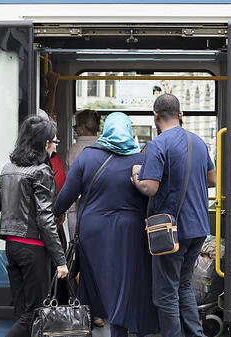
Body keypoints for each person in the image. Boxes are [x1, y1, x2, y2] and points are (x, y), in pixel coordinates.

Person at [53, 112, 159, 337]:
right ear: (129, 131)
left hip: (93, 233)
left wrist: (54, 214)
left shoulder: (86, 157)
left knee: (95, 283)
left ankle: (87, 326)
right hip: (131, 233)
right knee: (125, 284)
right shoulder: (140, 159)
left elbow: (65, 197)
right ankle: (121, 331)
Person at [0, 115, 68, 337]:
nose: (55, 146)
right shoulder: (41, 171)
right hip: (33, 249)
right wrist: (60, 260)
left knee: (21, 311)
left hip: (12, 248)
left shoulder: (8, 169)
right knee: (34, 313)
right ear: (45, 144)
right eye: (54, 141)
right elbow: (45, 217)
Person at [132, 94, 216, 337]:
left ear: (156, 116)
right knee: (184, 286)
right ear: (180, 115)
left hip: (171, 232)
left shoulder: (158, 145)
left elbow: (150, 188)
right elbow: (212, 179)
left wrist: (137, 177)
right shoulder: (199, 142)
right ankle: (195, 334)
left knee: (165, 293)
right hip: (199, 227)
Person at [66, 109, 100, 240]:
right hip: (100, 209)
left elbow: (70, 183)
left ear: (81, 128)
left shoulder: (74, 149)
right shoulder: (104, 145)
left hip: (77, 208)